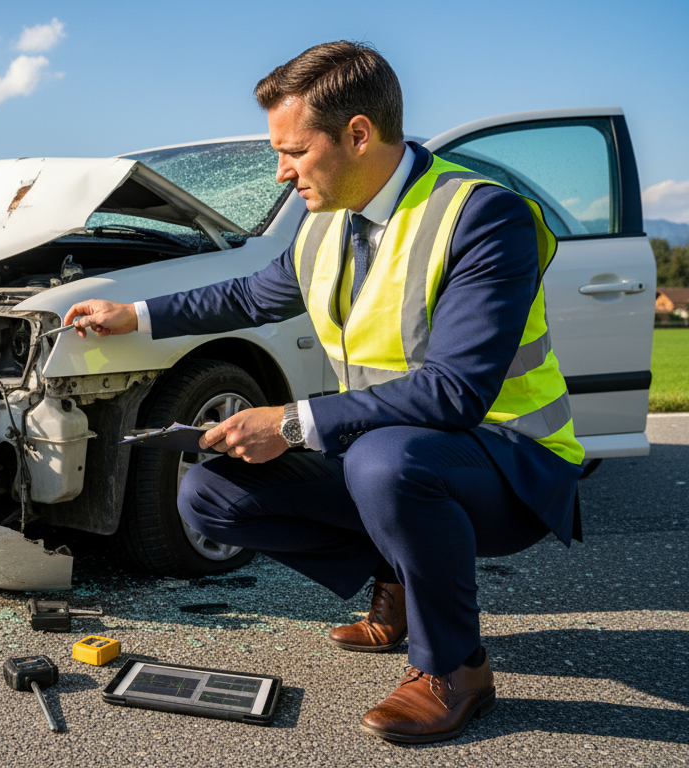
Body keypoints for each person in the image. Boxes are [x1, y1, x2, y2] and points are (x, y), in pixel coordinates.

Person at [64, 41, 583, 744]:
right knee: (209, 495)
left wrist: (292, 419)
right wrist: (136, 316)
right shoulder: (328, 222)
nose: (282, 172)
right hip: (393, 453)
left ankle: (455, 668)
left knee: (385, 464)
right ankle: (399, 583)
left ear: (359, 134)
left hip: (511, 465)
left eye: (295, 151)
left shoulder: (483, 216)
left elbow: (457, 393)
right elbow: (249, 294)